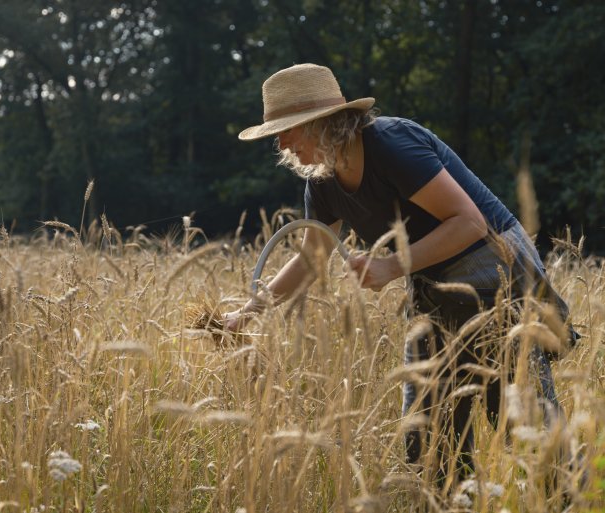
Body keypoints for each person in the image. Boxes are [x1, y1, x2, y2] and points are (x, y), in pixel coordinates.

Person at [224, 63, 576, 488]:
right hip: (431, 291)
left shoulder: (391, 144)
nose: (279, 142)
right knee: (428, 446)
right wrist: (249, 312)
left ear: (319, 124)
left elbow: (469, 223)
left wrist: (391, 266)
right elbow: (312, 257)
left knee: (530, 432)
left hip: (494, 276)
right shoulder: (322, 181)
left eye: (286, 129)